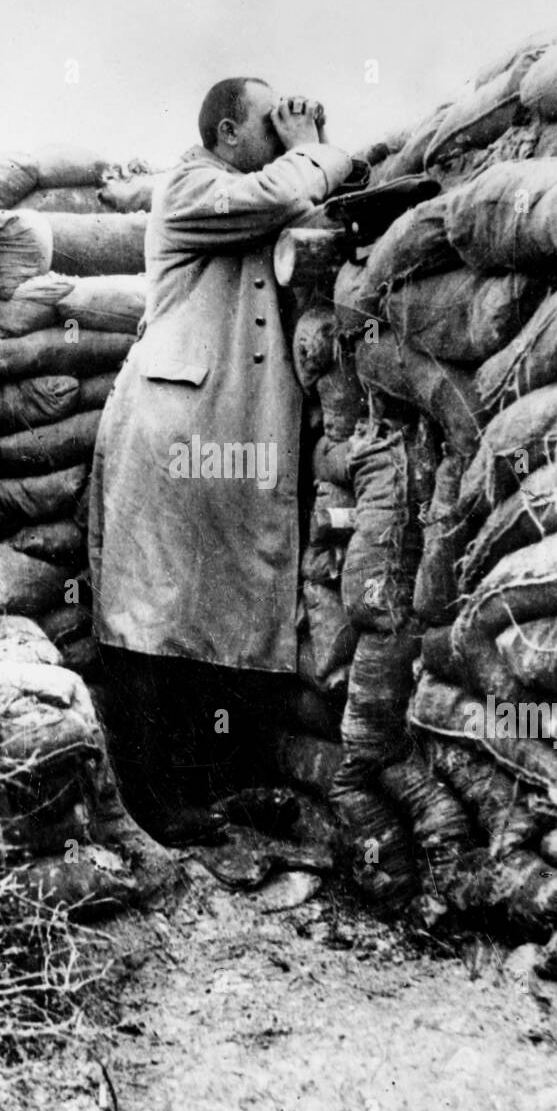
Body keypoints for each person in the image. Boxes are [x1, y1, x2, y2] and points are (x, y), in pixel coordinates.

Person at [89, 77, 357, 844]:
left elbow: (313, 210)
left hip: (236, 436)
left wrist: (320, 154)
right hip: (172, 430)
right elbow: (278, 197)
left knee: (223, 607)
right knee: (151, 614)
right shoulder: (191, 185)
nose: (285, 131)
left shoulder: (267, 188)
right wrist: (312, 150)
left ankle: (213, 784)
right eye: (270, 120)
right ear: (231, 130)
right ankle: (151, 799)